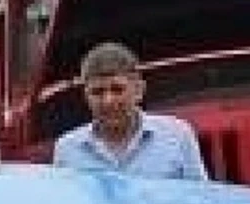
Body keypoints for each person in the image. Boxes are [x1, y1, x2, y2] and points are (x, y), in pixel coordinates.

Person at [52, 43, 210, 180]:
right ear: (86, 97)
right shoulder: (67, 149)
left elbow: (199, 200)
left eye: (117, 89)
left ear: (139, 90)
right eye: (98, 92)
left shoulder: (178, 135)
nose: (108, 101)